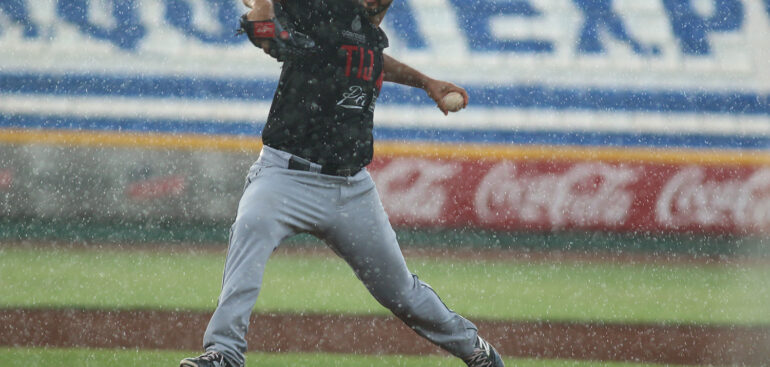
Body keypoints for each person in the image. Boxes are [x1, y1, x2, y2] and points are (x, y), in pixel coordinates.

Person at [180, 1, 505, 366]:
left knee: (400, 292)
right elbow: (264, 30)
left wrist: (425, 82)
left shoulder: (364, 33)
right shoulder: (323, 9)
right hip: (284, 176)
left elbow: (368, 59)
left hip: (351, 189)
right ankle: (224, 352)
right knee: (250, 232)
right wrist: (265, 12)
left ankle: (476, 350)